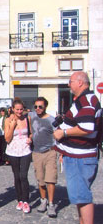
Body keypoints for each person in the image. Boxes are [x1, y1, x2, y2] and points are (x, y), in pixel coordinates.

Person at [53, 71, 101, 224]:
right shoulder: (85, 99)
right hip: (77, 156)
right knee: (80, 197)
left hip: (80, 157)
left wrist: (63, 133)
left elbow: (87, 127)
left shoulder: (86, 100)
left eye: (71, 81)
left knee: (82, 196)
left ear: (80, 82)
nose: (69, 84)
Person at [29, 97, 57, 217]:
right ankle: (43, 200)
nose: (38, 109)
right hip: (36, 152)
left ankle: (51, 204)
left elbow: (58, 135)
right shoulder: (32, 116)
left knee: (50, 179)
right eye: (35, 106)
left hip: (50, 151)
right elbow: (19, 113)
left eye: (40, 106)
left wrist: (60, 153)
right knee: (40, 179)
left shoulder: (51, 120)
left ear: (45, 106)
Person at [4, 97, 33, 214]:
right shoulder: (8, 120)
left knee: (23, 176)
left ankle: (26, 200)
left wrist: (30, 139)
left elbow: (31, 133)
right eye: (17, 110)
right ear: (12, 109)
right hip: (13, 150)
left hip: (25, 149)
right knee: (16, 176)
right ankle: (19, 199)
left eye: (21, 109)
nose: (19, 112)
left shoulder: (27, 119)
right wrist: (12, 125)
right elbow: (7, 138)